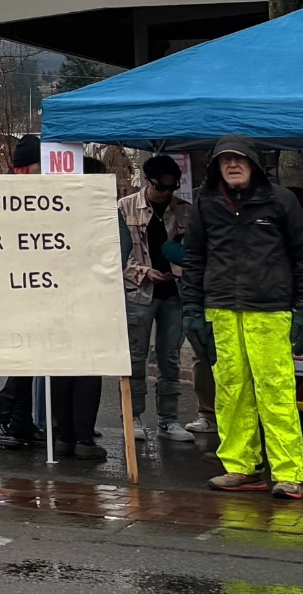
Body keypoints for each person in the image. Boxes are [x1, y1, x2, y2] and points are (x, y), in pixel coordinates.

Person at [183, 135, 303, 499]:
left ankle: (289, 471)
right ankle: (241, 466)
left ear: (253, 162)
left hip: (270, 309)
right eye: (225, 160)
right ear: (216, 166)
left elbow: (300, 258)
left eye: (240, 159)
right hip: (220, 309)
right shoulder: (205, 204)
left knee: (276, 390)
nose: (233, 165)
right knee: (231, 389)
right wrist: (192, 310)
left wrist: (300, 310)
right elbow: (194, 261)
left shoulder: (281, 201)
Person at [119, 155, 194, 442]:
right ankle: (133, 415)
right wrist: (143, 271)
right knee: (136, 357)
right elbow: (114, 255)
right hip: (138, 292)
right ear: (149, 182)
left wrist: (178, 268)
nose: (167, 193)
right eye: (162, 188)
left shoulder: (185, 210)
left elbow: (192, 252)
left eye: (172, 188)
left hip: (175, 292)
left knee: (170, 357)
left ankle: (168, 419)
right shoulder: (125, 208)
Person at [0, 135, 46, 449]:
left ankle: (19, 420)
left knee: (31, 358)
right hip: (15, 288)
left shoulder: (22, 193)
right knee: (24, 359)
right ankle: (0, 418)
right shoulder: (10, 198)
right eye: (39, 166)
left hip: (26, 285)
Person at [47, 156, 110, 460]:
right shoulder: (100, 212)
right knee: (88, 367)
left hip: (55, 295)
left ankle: (65, 437)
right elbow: (117, 248)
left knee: (62, 366)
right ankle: (83, 438)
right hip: (91, 295)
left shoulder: (54, 207)